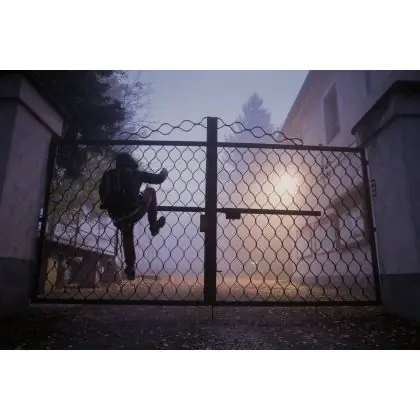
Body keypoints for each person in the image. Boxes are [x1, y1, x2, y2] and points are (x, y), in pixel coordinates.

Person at [99, 152, 168, 280]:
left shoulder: (108, 175)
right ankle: (153, 225)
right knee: (150, 191)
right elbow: (159, 179)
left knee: (127, 232)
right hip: (133, 212)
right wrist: (165, 172)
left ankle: (130, 266)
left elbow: (102, 193)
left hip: (116, 216)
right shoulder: (136, 174)